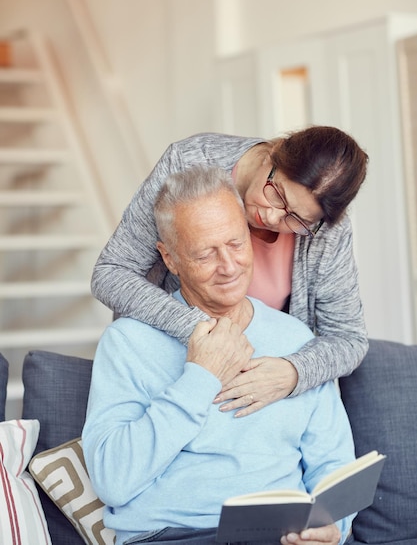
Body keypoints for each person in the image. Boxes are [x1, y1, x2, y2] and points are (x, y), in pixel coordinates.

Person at [83, 165, 356, 545]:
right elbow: (113, 481)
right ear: (170, 259)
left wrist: (333, 528)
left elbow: (333, 463)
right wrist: (200, 377)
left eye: (235, 244)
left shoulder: (295, 339)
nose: (228, 267)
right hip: (172, 536)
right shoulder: (127, 342)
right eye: (205, 254)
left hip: (280, 537)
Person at [91, 125, 369, 415]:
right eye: (276, 194)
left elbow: (348, 339)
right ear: (270, 156)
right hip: (172, 366)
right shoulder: (189, 162)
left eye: (296, 219)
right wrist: (205, 334)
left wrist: (292, 373)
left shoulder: (324, 230)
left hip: (263, 393)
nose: (272, 216)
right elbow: (111, 273)